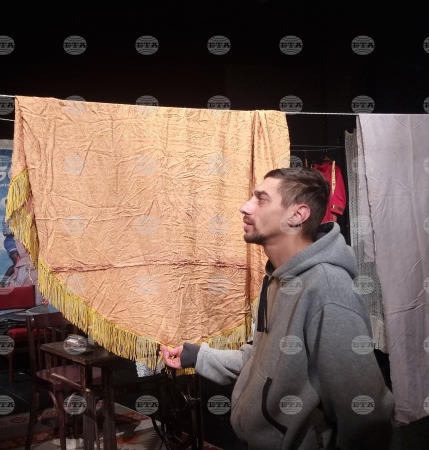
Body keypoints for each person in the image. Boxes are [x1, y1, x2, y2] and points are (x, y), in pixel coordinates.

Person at [161, 167, 394, 449]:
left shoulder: (328, 289)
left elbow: (366, 414)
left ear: (297, 215)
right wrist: (198, 356)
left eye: (261, 199)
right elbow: (261, 360)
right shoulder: (276, 279)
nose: (245, 207)